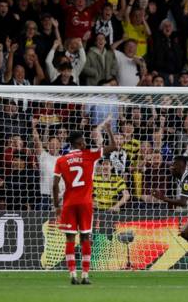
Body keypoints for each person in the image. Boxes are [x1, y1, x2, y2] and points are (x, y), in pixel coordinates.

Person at [52, 117, 117, 285]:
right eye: (83, 142)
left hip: (68, 204)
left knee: (69, 239)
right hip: (85, 204)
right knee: (86, 237)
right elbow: (114, 147)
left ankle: (72, 275)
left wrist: (56, 206)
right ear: (79, 144)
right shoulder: (90, 155)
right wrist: (108, 129)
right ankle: (85, 275)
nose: (85, 144)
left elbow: (55, 185)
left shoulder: (61, 160)